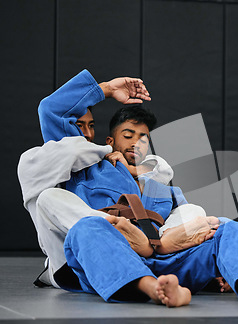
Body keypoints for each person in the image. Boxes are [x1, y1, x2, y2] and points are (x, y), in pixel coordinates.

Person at [60, 105, 238, 306]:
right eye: (128, 135)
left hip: (168, 258)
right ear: (110, 142)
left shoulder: (164, 189)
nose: (135, 142)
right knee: (87, 228)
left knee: (227, 227)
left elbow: (191, 227)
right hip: (115, 259)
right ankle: (155, 290)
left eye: (143, 138)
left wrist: (219, 266)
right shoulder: (87, 173)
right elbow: (52, 117)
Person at [18, 70, 172, 290]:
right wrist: (106, 89)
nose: (88, 133)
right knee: (49, 198)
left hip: (132, 251)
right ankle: (116, 232)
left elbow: (162, 170)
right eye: (79, 125)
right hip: (72, 261)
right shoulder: (53, 156)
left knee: (195, 213)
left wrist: (131, 167)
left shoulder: (108, 166)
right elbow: (51, 112)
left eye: (91, 126)